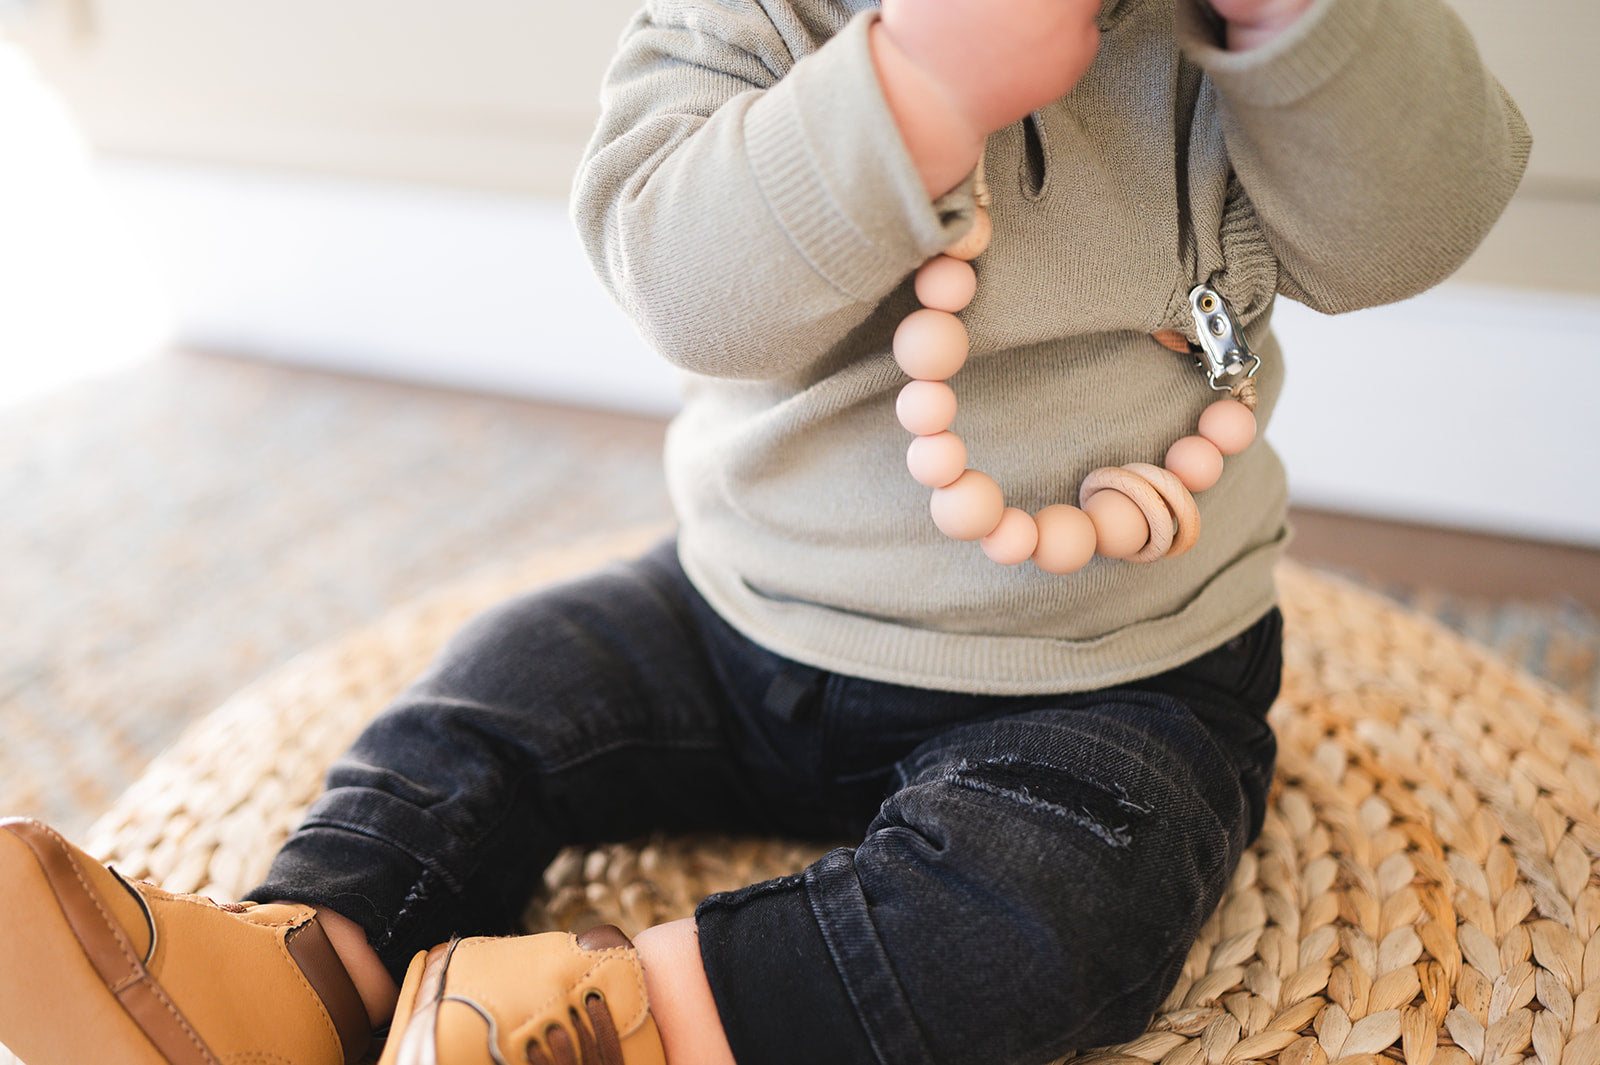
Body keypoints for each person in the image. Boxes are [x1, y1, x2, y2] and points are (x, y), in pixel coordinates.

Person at [0, 0, 1529, 1063]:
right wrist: (909, 90)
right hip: (738, 613)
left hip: (1107, 673)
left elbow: (1417, 222)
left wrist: (1290, 26)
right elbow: (684, 284)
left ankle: (630, 1017)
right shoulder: (750, 17)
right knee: (499, 685)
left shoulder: (1208, 52)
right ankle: (315, 951)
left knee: (1052, 917)